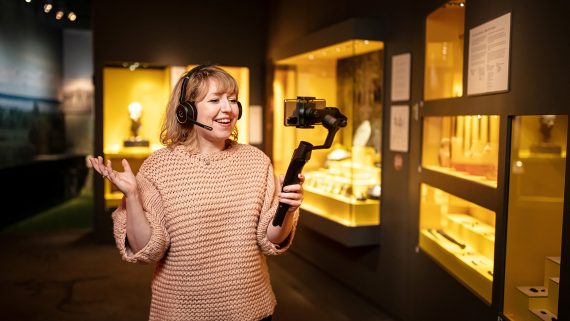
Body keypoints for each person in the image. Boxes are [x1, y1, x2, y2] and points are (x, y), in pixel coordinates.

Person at [88, 65, 304, 321]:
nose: (228, 109)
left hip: (250, 308)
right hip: (180, 312)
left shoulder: (256, 161)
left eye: (233, 100)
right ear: (186, 110)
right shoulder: (159, 167)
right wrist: (133, 197)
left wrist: (287, 210)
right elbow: (147, 249)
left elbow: (271, 240)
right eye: (215, 100)